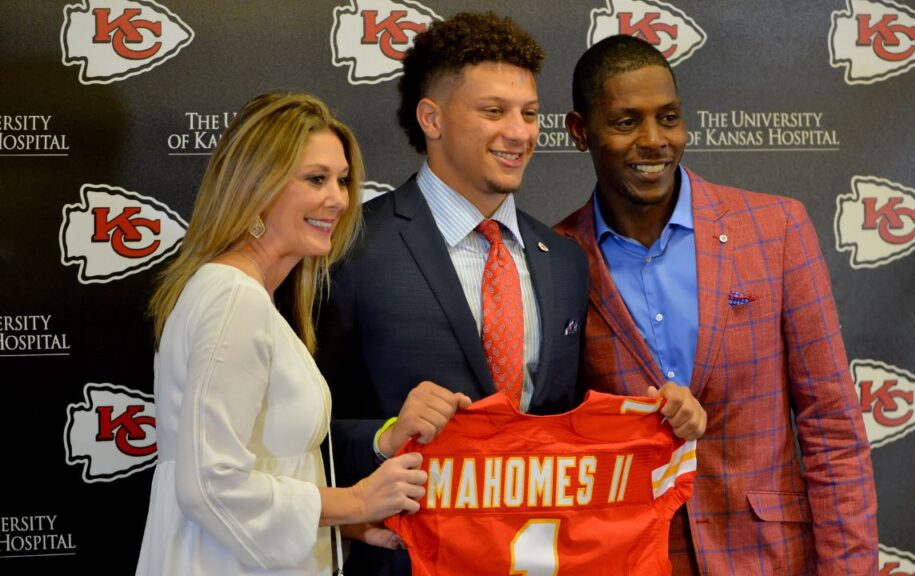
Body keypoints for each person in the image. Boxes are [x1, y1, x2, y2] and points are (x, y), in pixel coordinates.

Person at [555, 35, 879, 575]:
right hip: (630, 558)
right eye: (626, 121)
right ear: (579, 132)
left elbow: (833, 427)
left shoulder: (775, 230)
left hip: (769, 559)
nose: (655, 140)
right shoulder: (557, 260)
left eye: (669, 117)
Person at [314, 12, 591, 576]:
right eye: (494, 111)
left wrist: (656, 417)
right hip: (403, 559)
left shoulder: (564, 260)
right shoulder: (347, 249)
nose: (520, 132)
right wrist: (385, 435)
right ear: (431, 118)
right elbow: (295, 435)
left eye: (530, 113)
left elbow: (571, 423)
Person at [135, 92, 428, 575]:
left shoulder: (241, 295)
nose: (338, 198)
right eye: (316, 179)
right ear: (256, 187)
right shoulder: (234, 298)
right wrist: (355, 501)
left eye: (342, 180)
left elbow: (261, 475)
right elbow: (209, 485)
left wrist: (338, 522)